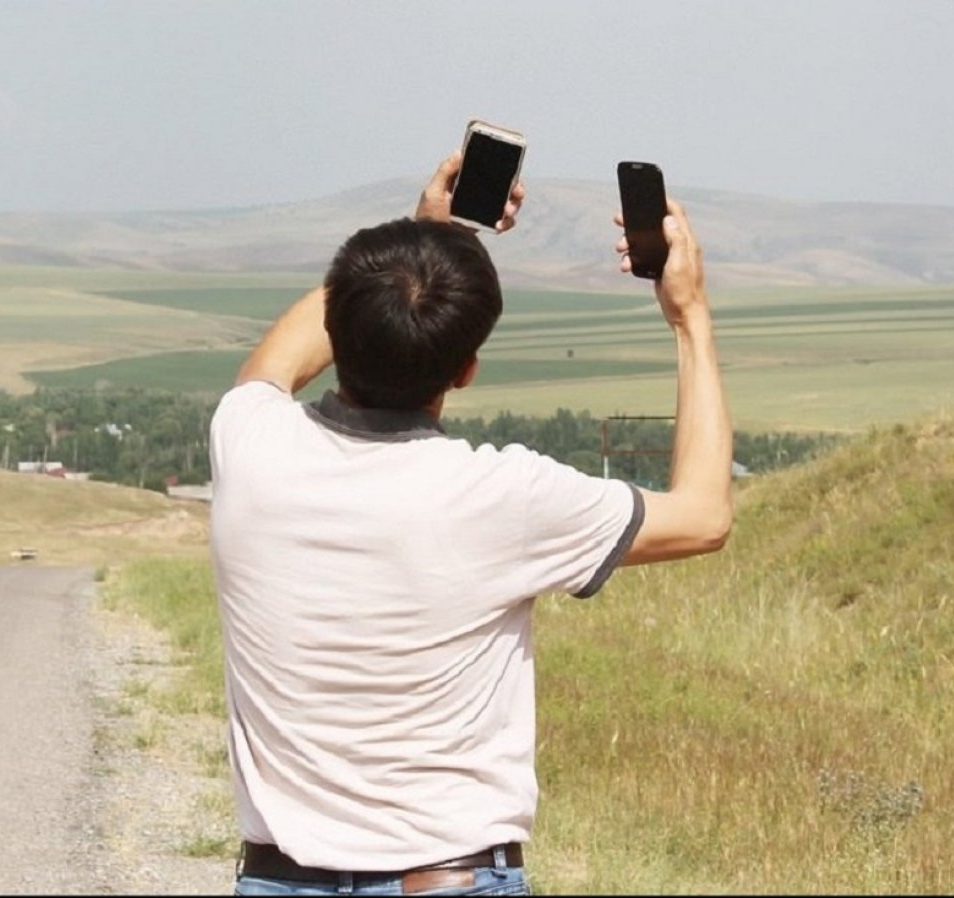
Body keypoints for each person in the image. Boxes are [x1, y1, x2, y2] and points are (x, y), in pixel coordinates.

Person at [208, 149, 733, 897]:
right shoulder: (502, 497)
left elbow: (273, 363)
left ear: (335, 323)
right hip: (450, 876)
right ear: (466, 369)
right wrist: (690, 315)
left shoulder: (249, 443)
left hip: (279, 880)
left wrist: (424, 239)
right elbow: (705, 514)